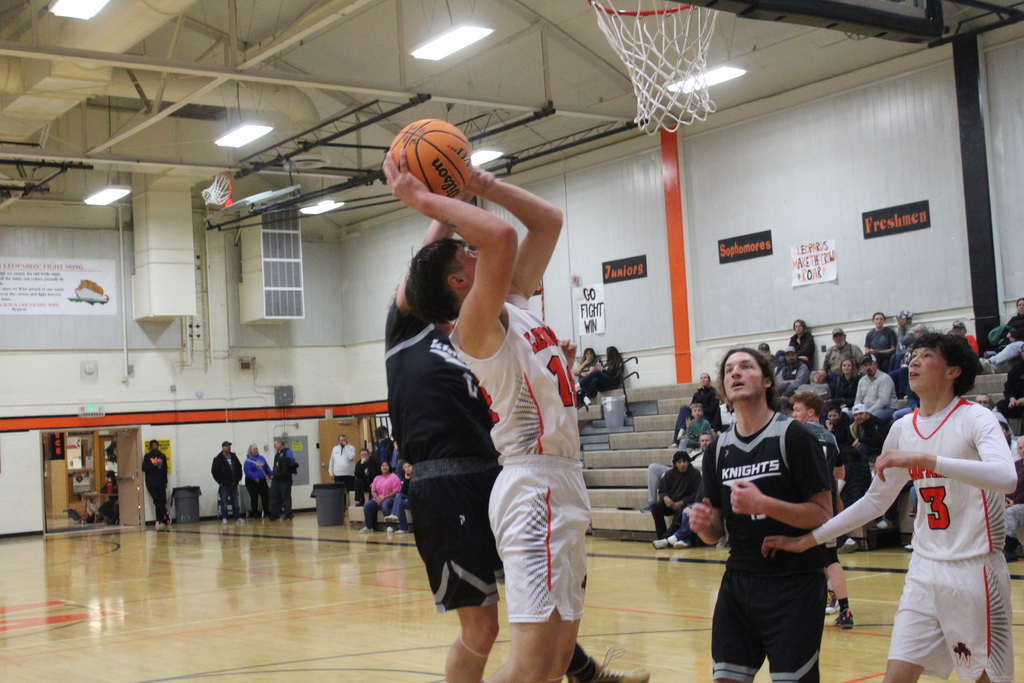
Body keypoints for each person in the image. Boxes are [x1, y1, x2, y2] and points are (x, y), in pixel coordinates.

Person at [385, 151, 644, 683]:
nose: (480, 251)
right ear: (460, 284)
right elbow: (502, 235)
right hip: (532, 487)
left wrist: (480, 181)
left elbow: (547, 221)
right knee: (529, 668)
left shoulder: (516, 301)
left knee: (550, 667)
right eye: (468, 254)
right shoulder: (476, 324)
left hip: (563, 482)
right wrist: (427, 200)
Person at [763, 332, 1017, 683]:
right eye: (913, 355)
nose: (913, 361)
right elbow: (874, 502)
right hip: (924, 570)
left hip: (975, 570)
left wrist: (925, 458)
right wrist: (809, 539)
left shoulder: (976, 418)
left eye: (926, 355)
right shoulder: (902, 428)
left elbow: (1006, 478)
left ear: (953, 371)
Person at [687, 348, 832, 683]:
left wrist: (764, 504)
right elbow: (714, 533)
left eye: (746, 367)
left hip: (795, 582)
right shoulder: (718, 451)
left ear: (767, 380)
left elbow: (825, 513)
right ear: (723, 390)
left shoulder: (794, 436)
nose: (736, 373)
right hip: (739, 581)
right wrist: (705, 526)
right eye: (730, 370)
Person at [790, 392, 854, 629]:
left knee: (797, 556)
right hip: (827, 506)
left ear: (810, 412)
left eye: (797, 410)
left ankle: (802, 606)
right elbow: (840, 475)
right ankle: (845, 610)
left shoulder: (797, 434)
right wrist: (836, 498)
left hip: (804, 506)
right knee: (830, 558)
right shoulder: (830, 436)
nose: (793, 415)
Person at [649, 451, 701, 546]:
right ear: (675, 464)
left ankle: (667, 538)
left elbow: (697, 494)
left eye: (684, 461)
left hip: (685, 504)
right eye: (679, 462)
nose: (682, 464)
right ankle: (661, 536)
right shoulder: (669, 474)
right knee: (655, 507)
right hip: (671, 503)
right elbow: (662, 490)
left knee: (680, 512)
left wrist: (682, 502)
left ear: (688, 462)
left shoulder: (695, 474)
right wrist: (665, 498)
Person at [360, 461, 402, 533]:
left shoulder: (394, 477)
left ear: (389, 467)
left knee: (385, 504)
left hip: (391, 499)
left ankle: (389, 526)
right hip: (378, 499)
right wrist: (377, 498)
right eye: (383, 466)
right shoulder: (377, 478)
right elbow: (373, 491)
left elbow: (397, 491)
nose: (384, 467)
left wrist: (384, 497)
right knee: (367, 506)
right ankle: (369, 527)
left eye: (386, 466)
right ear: (380, 468)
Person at [855, 354, 897, 422]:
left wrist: (868, 412)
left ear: (876, 365)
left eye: (870, 364)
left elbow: (883, 401)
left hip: (886, 409)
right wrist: (857, 411)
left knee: (872, 418)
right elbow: (858, 400)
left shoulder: (885, 378)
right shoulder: (862, 381)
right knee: (848, 416)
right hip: (865, 410)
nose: (868, 367)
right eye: (865, 365)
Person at [211, 441, 244, 525]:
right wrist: (220, 481)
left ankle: (237, 517)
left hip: (234, 484)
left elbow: (239, 467)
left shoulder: (234, 457)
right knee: (224, 502)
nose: (228, 447)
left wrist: (238, 478)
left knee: (235, 501)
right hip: (224, 485)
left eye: (229, 446)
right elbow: (214, 471)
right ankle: (225, 518)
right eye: (226, 446)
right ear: (223, 447)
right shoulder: (218, 459)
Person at [142, 439, 170, 529]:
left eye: (156, 445)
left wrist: (166, 481)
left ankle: (160, 520)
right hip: (151, 482)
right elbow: (144, 467)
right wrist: (153, 465)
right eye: (153, 445)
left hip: (161, 481)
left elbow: (165, 469)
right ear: (151, 447)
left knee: (161, 500)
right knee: (156, 499)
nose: (155, 447)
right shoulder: (147, 456)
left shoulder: (162, 456)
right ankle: (165, 513)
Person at [269, 437, 298, 521]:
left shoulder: (287, 451)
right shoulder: (277, 454)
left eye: (275, 444)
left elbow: (291, 461)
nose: (274, 446)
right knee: (274, 496)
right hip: (276, 479)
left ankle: (288, 514)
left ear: (280, 444)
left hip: (285, 479)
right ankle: (274, 514)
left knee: (285, 497)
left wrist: (281, 463)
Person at [995, 344, 1024, 421]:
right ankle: (1006, 431)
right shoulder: (1016, 369)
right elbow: (1009, 386)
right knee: (1001, 405)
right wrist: (1012, 398)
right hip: (1019, 403)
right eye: (1023, 351)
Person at [243, 443, 272, 519]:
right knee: (254, 498)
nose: (255, 450)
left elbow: (266, 468)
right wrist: (255, 478)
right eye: (254, 449)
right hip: (252, 482)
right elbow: (247, 472)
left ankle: (266, 514)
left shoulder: (262, 458)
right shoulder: (248, 461)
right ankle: (255, 514)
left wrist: (272, 473)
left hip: (262, 481)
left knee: (265, 497)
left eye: (256, 449)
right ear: (250, 450)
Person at [386, 462, 413, 535]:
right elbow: (403, 492)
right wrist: (407, 480)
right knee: (399, 498)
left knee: (399, 499)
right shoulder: (406, 478)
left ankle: (395, 514)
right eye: (405, 467)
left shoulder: (418, 477)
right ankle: (403, 528)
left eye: (409, 466)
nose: (407, 469)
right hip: (410, 500)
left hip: (417, 500)